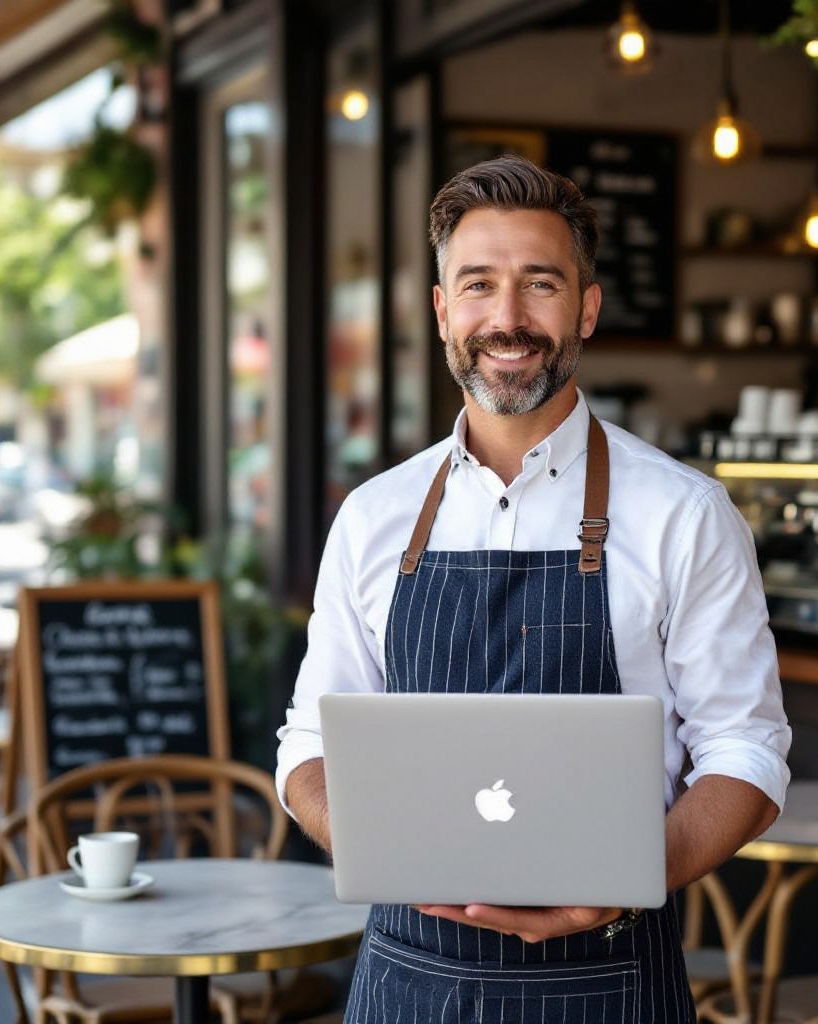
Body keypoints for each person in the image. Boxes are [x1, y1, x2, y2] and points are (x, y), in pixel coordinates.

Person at [276, 155, 791, 1023]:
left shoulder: (686, 514)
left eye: (540, 284)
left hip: (612, 975)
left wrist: (630, 875)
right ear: (442, 310)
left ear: (586, 305)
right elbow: (305, 746)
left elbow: (747, 754)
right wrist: (381, 850)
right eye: (477, 285)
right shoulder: (373, 516)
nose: (506, 319)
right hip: (408, 980)